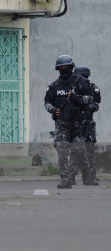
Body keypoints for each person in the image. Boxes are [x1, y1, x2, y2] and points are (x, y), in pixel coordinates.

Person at [44, 55, 94, 189]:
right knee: (62, 150)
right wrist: (53, 110)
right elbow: (47, 102)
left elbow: (90, 99)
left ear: (72, 67)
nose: (64, 69)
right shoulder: (54, 86)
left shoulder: (82, 82)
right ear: (58, 69)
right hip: (62, 124)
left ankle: (87, 175)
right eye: (61, 68)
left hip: (79, 124)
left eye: (66, 67)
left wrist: (77, 97)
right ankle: (65, 179)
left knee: (79, 149)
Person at [75, 66, 100, 186]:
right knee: (74, 151)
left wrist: (85, 107)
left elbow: (95, 106)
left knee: (89, 151)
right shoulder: (72, 89)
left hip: (88, 125)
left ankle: (91, 178)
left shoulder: (93, 88)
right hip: (75, 124)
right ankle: (71, 177)